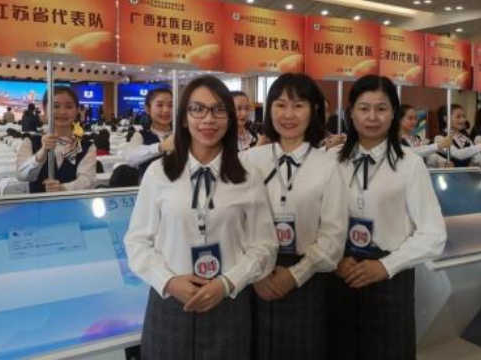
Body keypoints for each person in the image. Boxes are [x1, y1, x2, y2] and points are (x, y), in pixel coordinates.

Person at [125, 75, 278, 360]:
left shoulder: (248, 176)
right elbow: (137, 241)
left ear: (230, 118)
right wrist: (168, 281)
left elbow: (265, 245)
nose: (208, 119)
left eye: (219, 110)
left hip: (228, 304)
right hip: (170, 303)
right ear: (184, 119)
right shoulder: (159, 173)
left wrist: (228, 282)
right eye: (197, 109)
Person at [329, 75, 447, 360]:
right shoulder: (332, 160)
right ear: (351, 113)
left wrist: (385, 265)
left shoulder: (410, 164)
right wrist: (334, 260)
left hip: (390, 276)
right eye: (364, 108)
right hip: (339, 272)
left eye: (381, 108)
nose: (372, 117)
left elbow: (433, 234)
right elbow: (317, 221)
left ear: (393, 113)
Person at [240, 73, 347, 360]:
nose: (288, 114)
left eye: (298, 105)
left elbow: (334, 235)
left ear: (314, 110)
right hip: (252, 278)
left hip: (307, 276)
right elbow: (236, 224)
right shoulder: (249, 161)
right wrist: (255, 273)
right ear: (269, 109)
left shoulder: (328, 166)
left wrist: (296, 274)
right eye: (280, 105)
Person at [16, 86, 96, 193]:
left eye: (69, 106)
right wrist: (42, 153)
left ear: (77, 110)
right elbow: (22, 175)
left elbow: (87, 180)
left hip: (73, 202)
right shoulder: (30, 142)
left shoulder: (86, 146)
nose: (62, 112)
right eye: (55, 106)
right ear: (45, 109)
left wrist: (63, 188)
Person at [123, 88, 174, 176]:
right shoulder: (140, 135)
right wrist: (160, 147)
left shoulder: (182, 134)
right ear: (147, 109)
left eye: (170, 105)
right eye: (160, 105)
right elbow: (129, 159)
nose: (166, 110)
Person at [434, 104, 481, 168]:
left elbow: (475, 156)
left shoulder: (465, 137)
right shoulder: (440, 138)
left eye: (464, 116)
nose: (463, 120)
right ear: (446, 118)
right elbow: (458, 155)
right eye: (458, 117)